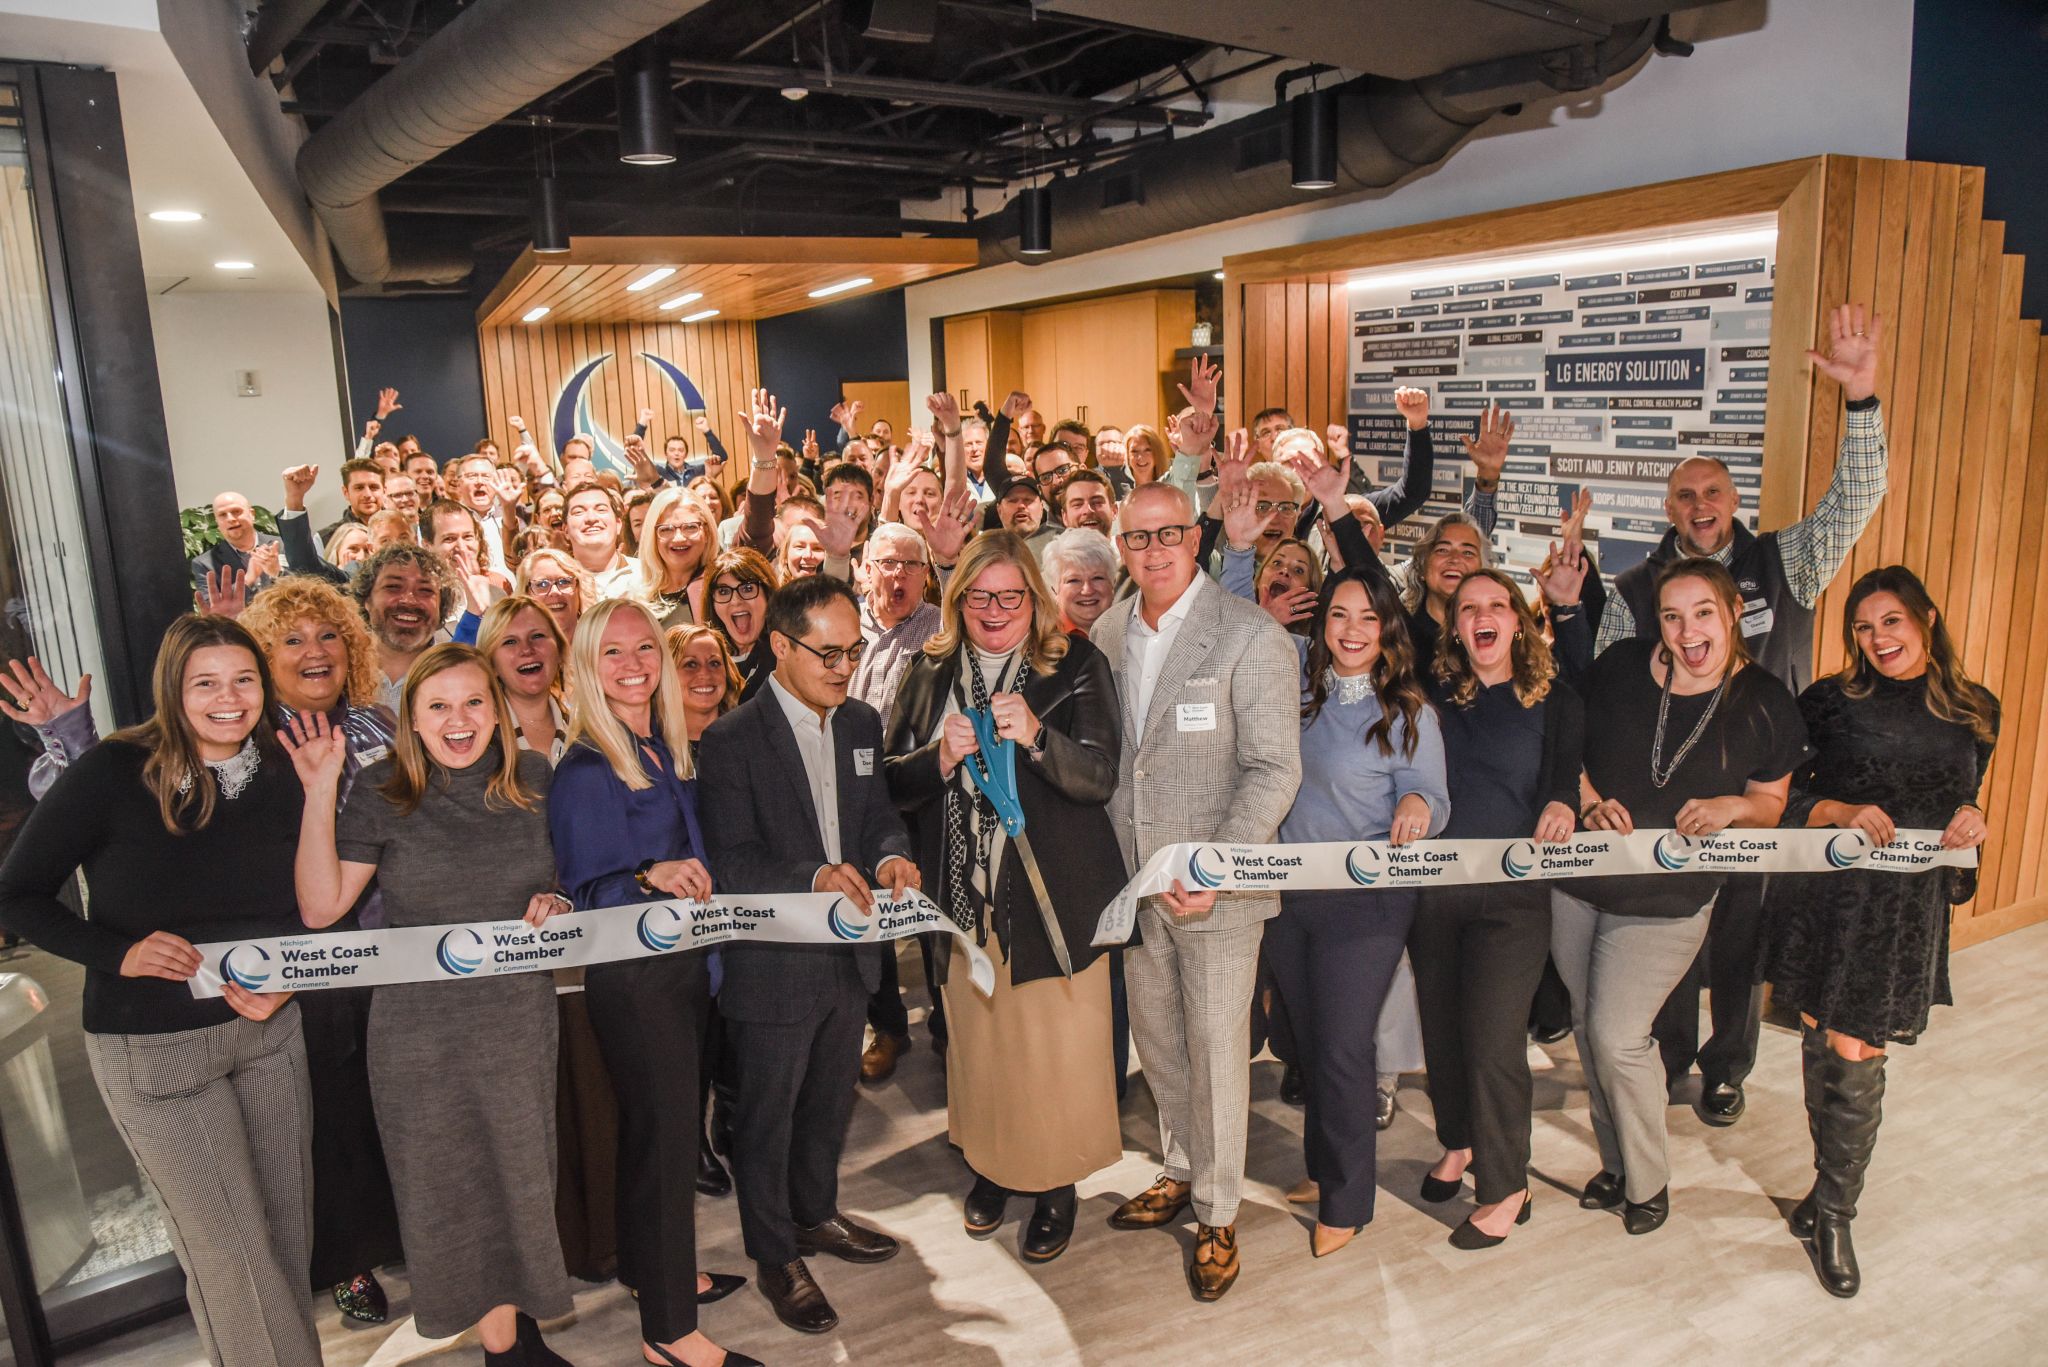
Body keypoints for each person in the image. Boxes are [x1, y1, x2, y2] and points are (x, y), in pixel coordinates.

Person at [0, 616, 320, 1367]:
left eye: (243, 679)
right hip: (155, 1051)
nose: (227, 698)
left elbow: (314, 903)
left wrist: (290, 977)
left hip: (270, 1034)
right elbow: (17, 893)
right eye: (204, 682)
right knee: (233, 1258)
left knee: (282, 1244)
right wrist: (119, 953)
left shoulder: (283, 769)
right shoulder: (115, 770)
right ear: (171, 690)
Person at [1613, 305, 1889, 1125]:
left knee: (1740, 937)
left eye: (1713, 491)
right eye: (1684, 495)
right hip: (1665, 785)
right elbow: (1610, 682)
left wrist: (1864, 397)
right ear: (1668, 509)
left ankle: (1724, 1065)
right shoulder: (1635, 589)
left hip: (1760, 788)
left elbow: (1857, 499)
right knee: (1662, 929)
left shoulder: (1785, 556)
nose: (1700, 504)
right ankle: (1662, 1059)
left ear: (1734, 498)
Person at [284, 643, 575, 1365]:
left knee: (519, 1182)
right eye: (437, 705)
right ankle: (507, 1350)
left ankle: (514, 1338)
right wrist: (321, 789)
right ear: (410, 717)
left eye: (474, 701)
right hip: (421, 1036)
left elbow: (570, 879)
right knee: (454, 1193)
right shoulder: (384, 786)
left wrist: (559, 899)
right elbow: (321, 908)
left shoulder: (535, 777)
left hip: (516, 1022)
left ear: (499, 708)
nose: (458, 719)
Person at [883, 533, 1125, 1261]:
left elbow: (1101, 776)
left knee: (1056, 1054)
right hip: (965, 901)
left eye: (1010, 596)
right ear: (959, 603)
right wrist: (939, 756)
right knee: (982, 1050)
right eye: (979, 597)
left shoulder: (1076, 662)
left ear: (1034, 601)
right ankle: (991, 1167)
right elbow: (892, 779)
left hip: (1055, 898)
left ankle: (1054, 1184)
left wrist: (1041, 739)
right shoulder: (929, 671)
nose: (994, 610)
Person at [694, 574, 920, 1337]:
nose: (843, 666)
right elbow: (733, 858)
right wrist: (816, 875)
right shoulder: (730, 739)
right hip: (773, 965)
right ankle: (774, 1254)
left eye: (853, 650)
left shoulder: (859, 722)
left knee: (829, 1101)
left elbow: (880, 816)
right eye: (827, 652)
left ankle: (816, 1215)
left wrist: (890, 857)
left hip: (851, 955)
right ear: (780, 646)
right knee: (766, 1117)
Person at [1092, 481, 1302, 1301]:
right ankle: (1180, 1166)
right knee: (1161, 1041)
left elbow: (1274, 768)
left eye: (1168, 533)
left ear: (1196, 536)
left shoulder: (1249, 634)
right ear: (1122, 544)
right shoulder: (1108, 632)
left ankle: (1217, 1211)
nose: (1153, 550)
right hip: (1139, 886)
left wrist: (1215, 868)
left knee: (1218, 1051)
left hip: (1218, 891)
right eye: (1137, 538)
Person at [1764, 566, 1997, 1297]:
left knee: (1855, 1042)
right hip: (1829, 899)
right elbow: (1785, 794)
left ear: (1925, 617)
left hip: (1903, 913)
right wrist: (1833, 809)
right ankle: (1821, 1188)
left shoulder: (1975, 710)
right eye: (1864, 627)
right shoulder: (1829, 701)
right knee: (1817, 1027)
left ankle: (1836, 1210)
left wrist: (1972, 828)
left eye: (1891, 621)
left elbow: (1964, 804)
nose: (1877, 638)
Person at [1562, 558, 1807, 1236]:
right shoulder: (1618, 665)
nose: (1687, 630)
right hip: (1578, 883)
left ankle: (1647, 1180)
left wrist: (1733, 804)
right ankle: (1614, 1163)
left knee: (1618, 1034)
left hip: (1670, 899)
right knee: (1589, 1032)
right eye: (1672, 615)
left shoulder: (1762, 698)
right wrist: (1584, 801)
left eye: (1703, 612)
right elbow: (1568, 746)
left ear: (1731, 610)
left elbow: (1771, 800)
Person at [550, 600, 761, 1367]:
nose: (634, 662)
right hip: (637, 982)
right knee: (669, 1145)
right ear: (584, 664)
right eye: (613, 652)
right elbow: (583, 887)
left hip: (683, 971)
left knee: (657, 1136)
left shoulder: (658, 746)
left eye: (645, 647)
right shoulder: (583, 767)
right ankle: (670, 1332)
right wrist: (647, 873)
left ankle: (653, 1273)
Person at [1269, 567, 1449, 1259]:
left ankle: (1350, 1200)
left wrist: (1417, 805)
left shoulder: (1409, 712)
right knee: (1311, 1043)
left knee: (1344, 1046)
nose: (1350, 630)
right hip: (1290, 895)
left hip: (1368, 904)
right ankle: (1325, 1170)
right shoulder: (1298, 690)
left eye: (1367, 618)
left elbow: (1433, 794)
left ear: (1387, 630)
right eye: (1338, 615)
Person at [238, 580, 405, 1320]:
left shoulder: (377, 724)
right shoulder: (244, 738)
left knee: (390, 1099)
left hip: (394, 946)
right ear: (263, 656)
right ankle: (349, 1261)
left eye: (329, 635)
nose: (316, 651)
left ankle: (403, 1233)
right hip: (303, 952)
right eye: (294, 639)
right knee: (329, 1116)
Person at [1412, 567, 1584, 1249]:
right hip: (1434, 893)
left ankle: (1508, 1181)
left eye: (1497, 605)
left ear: (1520, 618)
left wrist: (1562, 803)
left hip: (1512, 901)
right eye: (1468, 608)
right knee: (1443, 1032)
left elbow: (1562, 780)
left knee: (1491, 1039)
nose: (1483, 616)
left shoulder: (1555, 698)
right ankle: (1459, 1140)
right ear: (1453, 625)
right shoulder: (1432, 694)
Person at [847, 521, 947, 1084]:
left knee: (929, 912)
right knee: (870, 921)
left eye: (912, 564)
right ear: (865, 566)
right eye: (888, 562)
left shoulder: (939, 630)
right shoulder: (842, 622)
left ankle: (946, 1029)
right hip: (852, 797)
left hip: (918, 792)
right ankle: (887, 1027)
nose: (899, 575)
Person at [352, 543, 456, 713]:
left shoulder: (458, 673)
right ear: (367, 600)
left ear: (442, 606)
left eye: (425, 590)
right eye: (393, 587)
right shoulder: (340, 672)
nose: (409, 600)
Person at [481, 595, 569, 763]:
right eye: (510, 642)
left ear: (559, 650)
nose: (526, 649)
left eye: (537, 636)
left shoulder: (586, 728)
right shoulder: (479, 737)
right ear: (491, 664)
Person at [632, 485, 714, 628]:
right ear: (653, 537)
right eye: (666, 529)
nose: (678, 538)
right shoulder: (636, 600)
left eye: (690, 527)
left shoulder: (722, 590)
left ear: (706, 532)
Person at [704, 547, 778, 702]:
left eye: (748, 589)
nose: (736, 601)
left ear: (767, 594)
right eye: (723, 592)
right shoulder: (703, 659)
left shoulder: (786, 654)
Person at [192, 490, 282, 599]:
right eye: (222, 515)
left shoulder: (283, 545)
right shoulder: (204, 564)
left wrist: (278, 573)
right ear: (217, 523)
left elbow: (306, 586)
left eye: (236, 511)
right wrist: (247, 579)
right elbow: (211, 610)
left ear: (252, 514)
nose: (230, 519)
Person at [564, 482, 636, 598]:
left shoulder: (648, 576)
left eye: (601, 510)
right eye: (578, 512)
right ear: (566, 530)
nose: (591, 518)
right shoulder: (554, 586)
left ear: (618, 524)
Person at [1043, 527, 1118, 637]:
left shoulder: (1132, 633)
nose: (1087, 590)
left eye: (1097, 578)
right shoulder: (1041, 641)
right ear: (1054, 590)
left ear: (1113, 584)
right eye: (1074, 580)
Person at [518, 547, 596, 642]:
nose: (554, 591)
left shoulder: (600, 643)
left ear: (580, 589)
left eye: (564, 582)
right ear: (526, 594)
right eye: (542, 584)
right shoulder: (517, 653)